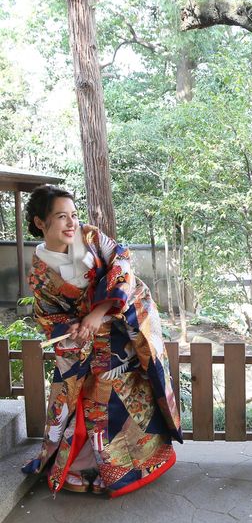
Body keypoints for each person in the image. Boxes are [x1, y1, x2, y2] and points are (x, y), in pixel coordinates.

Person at [23, 185, 183, 497]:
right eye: (61, 217)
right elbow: (49, 316)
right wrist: (74, 329)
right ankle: (87, 467)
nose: (72, 223)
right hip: (87, 340)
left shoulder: (91, 237)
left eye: (74, 215)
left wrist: (99, 313)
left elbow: (121, 262)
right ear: (40, 222)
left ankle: (141, 462)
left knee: (131, 393)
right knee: (90, 398)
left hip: (124, 320)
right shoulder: (40, 274)